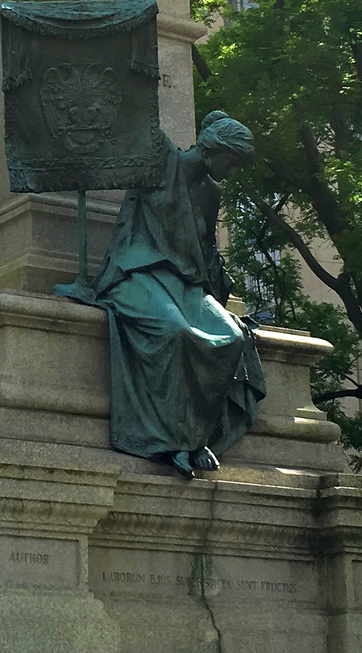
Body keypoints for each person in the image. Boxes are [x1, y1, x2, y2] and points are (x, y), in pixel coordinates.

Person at [93, 111, 266, 477]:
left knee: (232, 337)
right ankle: (173, 440)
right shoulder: (160, 159)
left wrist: (223, 293)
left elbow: (206, 252)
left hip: (186, 283)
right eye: (232, 161)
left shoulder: (211, 193)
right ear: (215, 149)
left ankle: (196, 434)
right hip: (137, 271)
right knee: (175, 332)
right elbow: (129, 114)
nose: (233, 170)